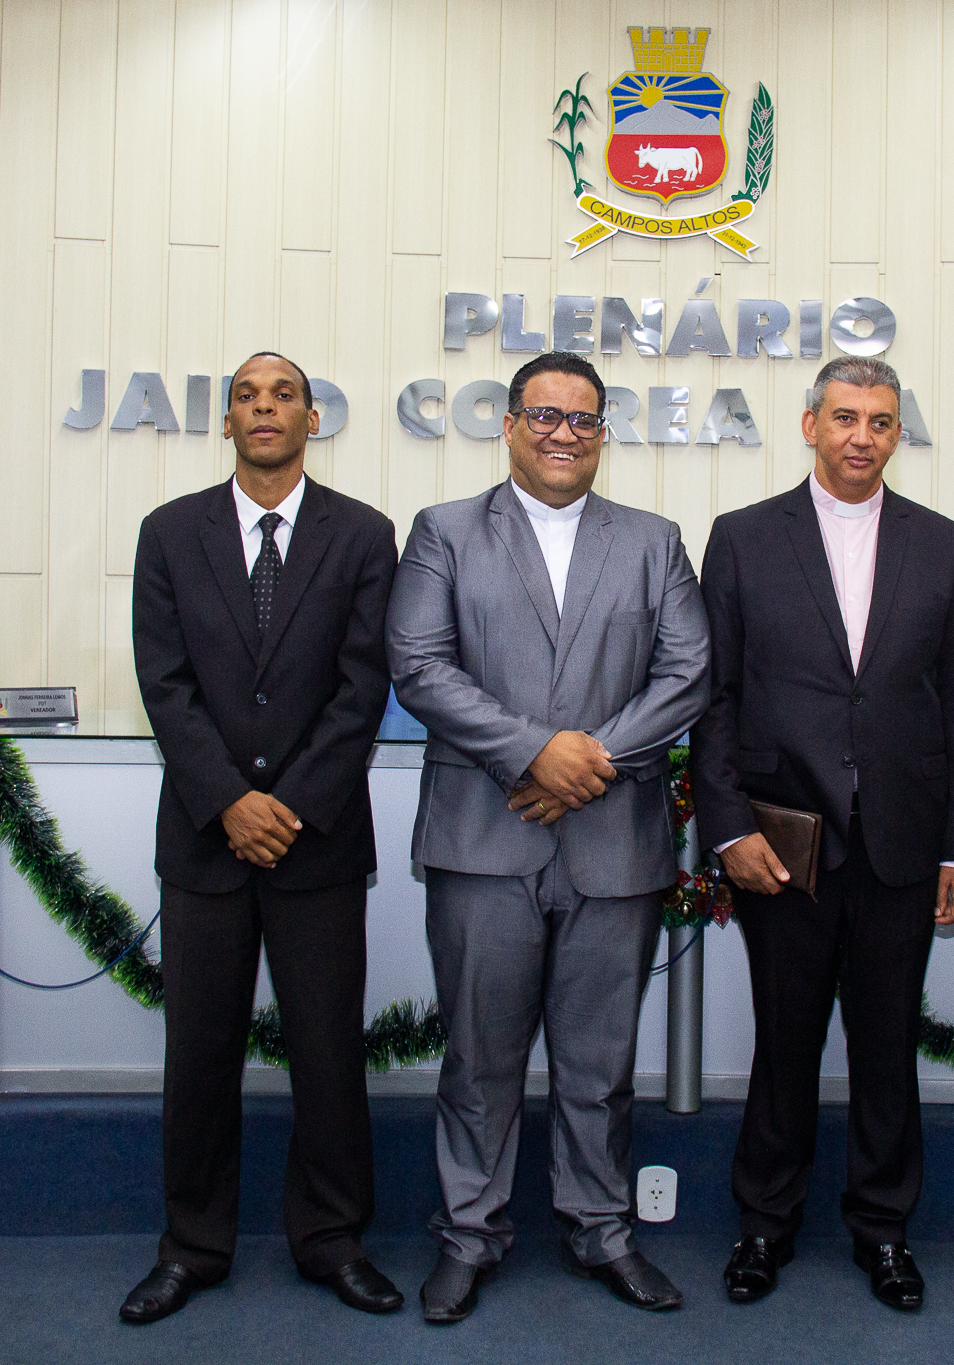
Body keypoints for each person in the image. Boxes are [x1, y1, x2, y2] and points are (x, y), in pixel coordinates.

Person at [385, 351, 709, 1324]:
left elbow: (688, 674)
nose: (564, 433)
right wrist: (533, 752)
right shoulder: (444, 532)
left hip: (614, 841)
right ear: (510, 424)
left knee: (600, 1065)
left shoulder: (653, 541)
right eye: (544, 414)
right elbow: (418, 663)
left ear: (602, 432)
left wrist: (586, 761)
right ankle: (467, 1237)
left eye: (583, 418)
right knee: (478, 1060)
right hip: (482, 838)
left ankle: (601, 1228)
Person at [688, 356, 954, 1312]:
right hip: (783, 847)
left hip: (903, 844)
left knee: (887, 1046)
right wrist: (726, 828)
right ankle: (763, 1224)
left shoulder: (943, 544)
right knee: (784, 1042)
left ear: (899, 432)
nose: (863, 435)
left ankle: (884, 1229)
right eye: (846, 416)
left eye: (882, 421)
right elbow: (714, 698)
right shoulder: (742, 538)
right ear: (809, 422)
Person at [121, 351, 403, 1323]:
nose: (264, 407)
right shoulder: (169, 533)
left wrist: (286, 806)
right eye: (247, 395)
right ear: (227, 421)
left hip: (316, 842)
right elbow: (164, 682)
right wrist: (229, 802)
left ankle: (332, 1240)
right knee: (199, 1058)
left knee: (327, 1056)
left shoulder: (363, 535)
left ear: (312, 418)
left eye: (283, 394)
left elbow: (362, 686)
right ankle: (192, 1248)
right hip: (206, 841)